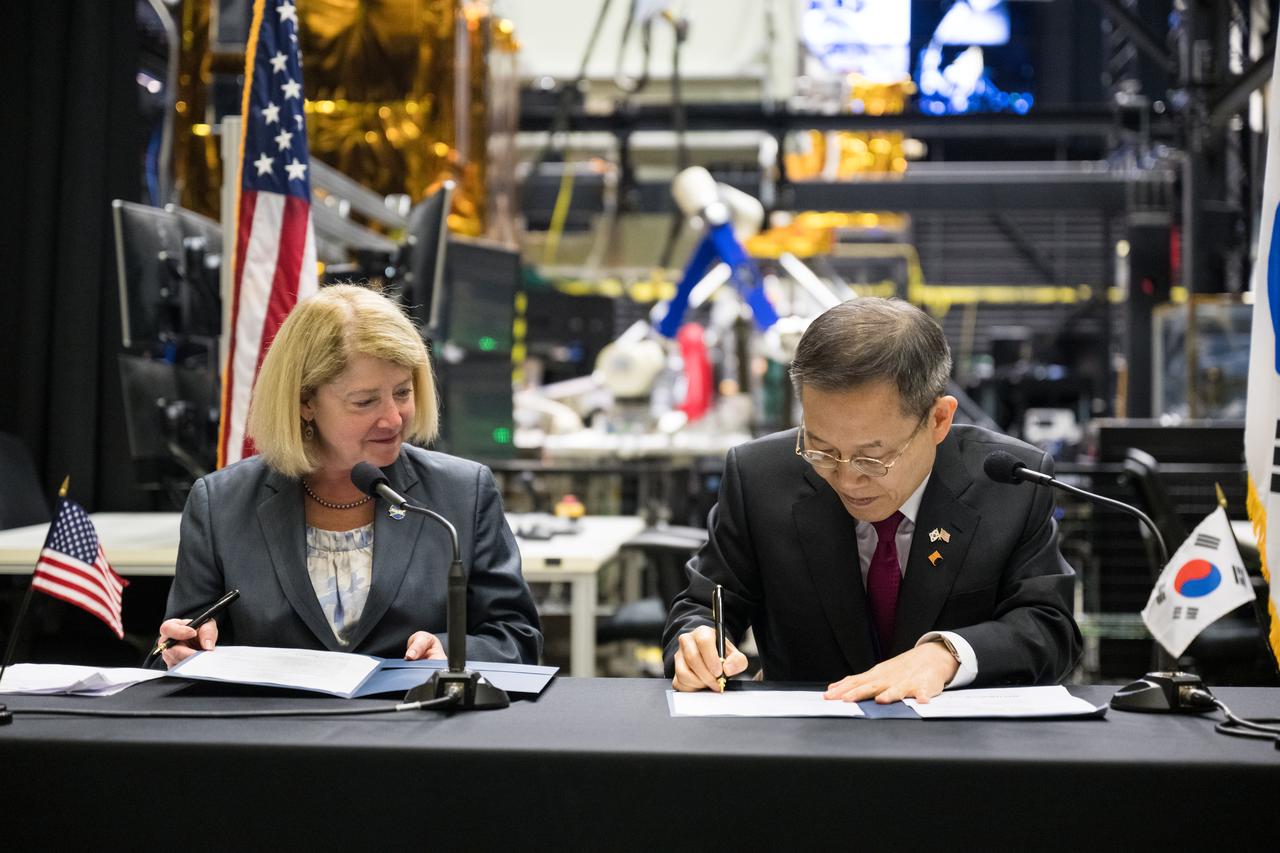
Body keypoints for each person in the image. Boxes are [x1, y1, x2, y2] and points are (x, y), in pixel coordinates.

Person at [663, 297, 1081, 702]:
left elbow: (1050, 628)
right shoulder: (760, 476)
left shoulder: (1009, 482)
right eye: (822, 449)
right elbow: (702, 605)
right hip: (805, 737)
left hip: (961, 741)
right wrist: (699, 642)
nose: (847, 479)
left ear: (938, 420)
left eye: (872, 457)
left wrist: (948, 655)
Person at [155, 284, 541, 668]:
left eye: (403, 393)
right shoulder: (220, 504)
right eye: (365, 401)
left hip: (418, 707)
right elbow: (176, 650)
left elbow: (517, 639)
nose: (393, 419)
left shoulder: (463, 493)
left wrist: (450, 651)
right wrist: (183, 649)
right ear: (305, 401)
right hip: (274, 710)